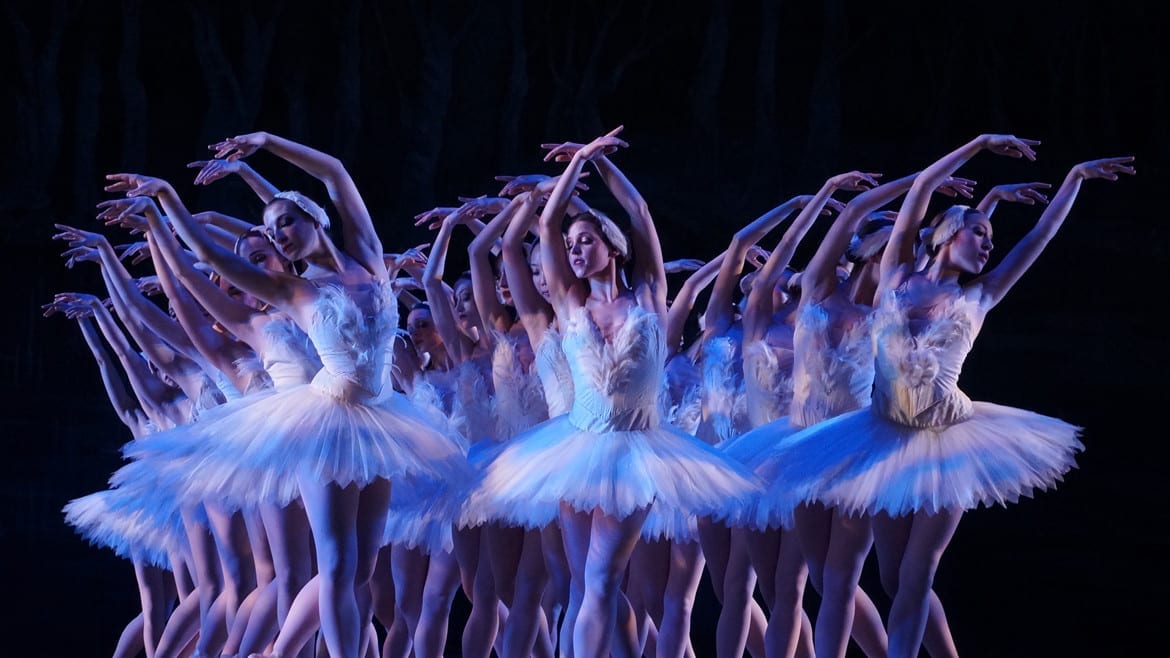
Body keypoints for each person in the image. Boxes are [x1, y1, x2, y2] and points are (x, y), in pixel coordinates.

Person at [748, 133, 1133, 658]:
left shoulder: (979, 293)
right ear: (947, 235)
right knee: (887, 575)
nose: (989, 243)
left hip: (950, 438)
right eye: (980, 232)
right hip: (879, 436)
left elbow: (1038, 237)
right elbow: (923, 187)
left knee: (915, 573)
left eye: (991, 236)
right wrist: (979, 144)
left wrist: (1074, 180)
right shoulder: (896, 274)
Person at [102, 128, 472, 658]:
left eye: (287, 225)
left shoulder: (367, 258)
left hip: (384, 418)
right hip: (326, 419)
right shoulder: (294, 291)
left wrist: (266, 143)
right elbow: (210, 258)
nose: (281, 239)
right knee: (337, 566)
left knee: (363, 568)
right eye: (273, 235)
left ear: (314, 217)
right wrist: (169, 206)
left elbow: (336, 171)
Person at [461, 126, 763, 658]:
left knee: (600, 580)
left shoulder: (649, 291)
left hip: (637, 448)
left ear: (612, 247)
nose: (575, 251)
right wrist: (573, 163)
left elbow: (641, 214)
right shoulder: (567, 305)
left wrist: (599, 162)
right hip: (575, 445)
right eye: (571, 246)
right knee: (587, 584)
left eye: (587, 241)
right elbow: (546, 224)